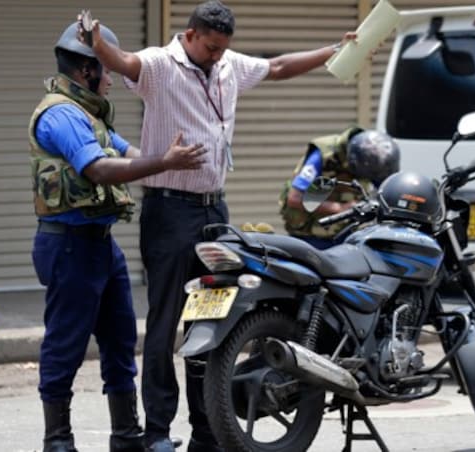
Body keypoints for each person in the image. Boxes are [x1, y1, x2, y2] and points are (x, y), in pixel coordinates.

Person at [87, 2, 357, 450]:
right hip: (170, 212)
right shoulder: (160, 65)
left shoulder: (228, 64)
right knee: (166, 322)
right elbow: (123, 62)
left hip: (215, 212)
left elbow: (278, 67)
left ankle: (206, 431)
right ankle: (157, 432)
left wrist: (333, 48)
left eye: (222, 49)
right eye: (210, 48)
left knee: (212, 321)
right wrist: (97, 43)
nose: (216, 57)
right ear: (190, 35)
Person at [29, 20, 206, 452]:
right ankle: (58, 440)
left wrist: (170, 154)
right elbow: (99, 169)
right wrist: (165, 163)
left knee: (121, 339)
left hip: (99, 245)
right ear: (86, 69)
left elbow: (129, 154)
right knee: (65, 343)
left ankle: (126, 436)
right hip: (69, 245)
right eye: (106, 70)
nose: (111, 77)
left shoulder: (90, 114)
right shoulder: (61, 114)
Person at [280, 128, 401, 249]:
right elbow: (295, 198)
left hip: (345, 234)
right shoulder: (324, 155)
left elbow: (383, 190)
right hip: (309, 235)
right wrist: (339, 208)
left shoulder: (372, 159)